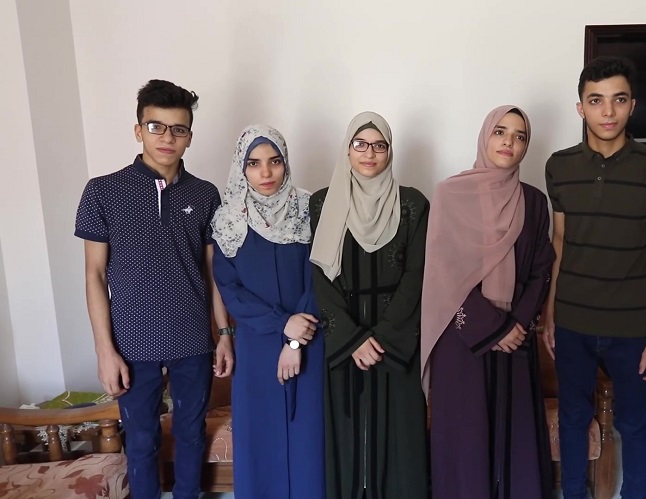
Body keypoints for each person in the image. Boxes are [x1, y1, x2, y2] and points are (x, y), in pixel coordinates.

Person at [75, 79, 233, 499]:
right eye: (156, 126)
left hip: (192, 339)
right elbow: (94, 275)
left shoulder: (205, 194)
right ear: (138, 130)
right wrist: (104, 351)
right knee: (141, 441)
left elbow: (212, 272)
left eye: (178, 129)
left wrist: (223, 334)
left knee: (190, 433)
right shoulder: (103, 191)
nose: (167, 137)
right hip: (131, 342)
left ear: (189, 137)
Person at [542, 56, 646, 499]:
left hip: (633, 326)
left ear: (632, 105)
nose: (608, 112)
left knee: (634, 421)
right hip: (572, 321)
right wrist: (550, 314)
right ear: (580, 107)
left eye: (618, 100)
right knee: (573, 417)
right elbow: (560, 242)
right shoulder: (559, 166)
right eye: (596, 100)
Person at [422, 105, 555, 499]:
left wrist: (517, 324)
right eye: (500, 132)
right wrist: (493, 327)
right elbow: (443, 270)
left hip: (517, 335)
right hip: (461, 337)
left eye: (519, 136)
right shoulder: (450, 194)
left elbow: (541, 268)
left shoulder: (534, 201)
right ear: (485, 136)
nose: (509, 142)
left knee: (514, 432)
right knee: (466, 435)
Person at [309, 111, 429, 499]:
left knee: (400, 437)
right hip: (344, 338)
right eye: (360, 144)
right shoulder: (322, 203)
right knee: (347, 433)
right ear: (347, 149)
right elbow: (319, 275)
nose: (370, 153)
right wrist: (352, 339)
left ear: (390, 151)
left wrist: (383, 339)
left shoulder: (413, 204)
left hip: (397, 340)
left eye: (380, 145)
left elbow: (417, 275)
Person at [211, 125, 325, 498]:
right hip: (257, 348)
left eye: (274, 161)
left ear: (285, 163)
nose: (266, 172)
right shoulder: (228, 221)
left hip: (309, 340)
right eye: (254, 163)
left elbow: (321, 276)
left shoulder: (308, 210)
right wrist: (281, 323)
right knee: (260, 439)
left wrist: (294, 341)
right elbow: (230, 289)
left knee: (308, 439)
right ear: (241, 167)